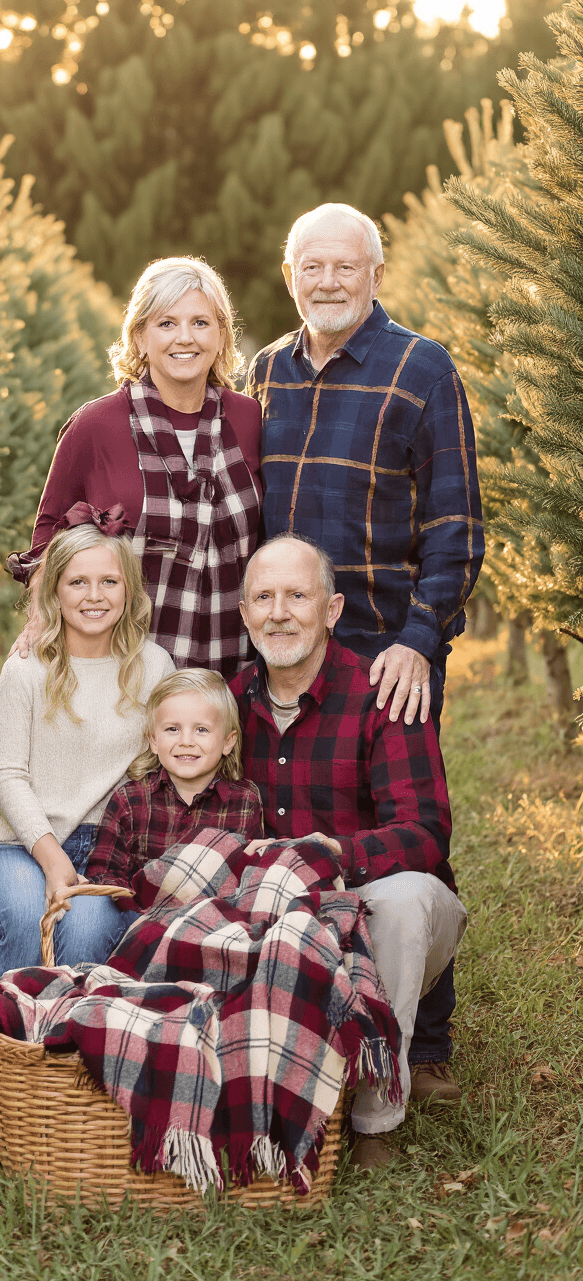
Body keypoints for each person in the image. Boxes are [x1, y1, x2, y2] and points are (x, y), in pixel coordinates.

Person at [246, 202, 484, 1102]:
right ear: (291, 275)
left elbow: (456, 522)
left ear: (375, 273)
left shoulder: (421, 369)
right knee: (284, 813)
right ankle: (305, 1006)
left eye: (347, 266)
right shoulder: (266, 372)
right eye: (314, 267)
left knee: (405, 827)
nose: (330, 282)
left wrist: (422, 639)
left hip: (385, 646)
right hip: (284, 640)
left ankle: (422, 1043)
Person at [230, 535, 467, 1169]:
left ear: (332, 610)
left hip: (377, 910)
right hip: (280, 916)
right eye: (265, 597)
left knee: (406, 898)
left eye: (298, 596)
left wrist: (337, 854)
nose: (280, 612)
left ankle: (373, 1121)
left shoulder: (381, 692)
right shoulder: (227, 705)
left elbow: (425, 832)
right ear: (245, 612)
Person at [9, 256, 262, 679]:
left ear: (221, 335)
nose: (185, 338)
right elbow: (48, 533)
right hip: (123, 670)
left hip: (231, 671)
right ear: (140, 337)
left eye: (201, 322)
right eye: (166, 324)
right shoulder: (96, 425)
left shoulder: (248, 418)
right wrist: (40, 619)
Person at [0, 521, 174, 978]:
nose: (94, 596)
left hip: (104, 845)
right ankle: (11, 1037)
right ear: (55, 591)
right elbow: (6, 773)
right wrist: (52, 857)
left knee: (84, 934)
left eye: (109, 582)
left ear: (129, 591)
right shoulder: (27, 668)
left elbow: (163, 764)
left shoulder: (153, 667)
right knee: (29, 917)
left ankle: (65, 1040)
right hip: (13, 839)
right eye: (78, 582)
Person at [82, 668, 264, 897]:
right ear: (154, 741)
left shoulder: (244, 801)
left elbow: (251, 878)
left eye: (201, 729)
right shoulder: (130, 800)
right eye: (172, 729)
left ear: (228, 742)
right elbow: (102, 874)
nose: (186, 741)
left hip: (212, 919)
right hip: (140, 916)